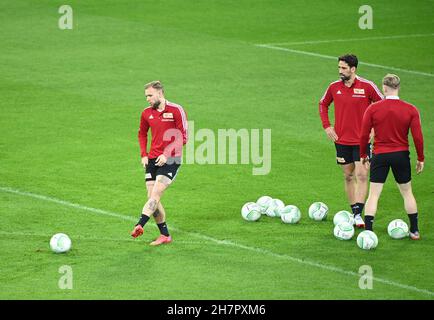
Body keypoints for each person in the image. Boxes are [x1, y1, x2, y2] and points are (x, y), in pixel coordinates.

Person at [319, 54, 383, 228]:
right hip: (341, 140)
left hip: (362, 141)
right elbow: (323, 104)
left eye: (344, 68)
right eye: (339, 67)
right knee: (348, 176)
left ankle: (357, 214)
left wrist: (374, 129)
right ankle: (354, 209)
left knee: (362, 176)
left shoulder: (367, 86)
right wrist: (327, 126)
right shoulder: (334, 87)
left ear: (353, 69)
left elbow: (383, 106)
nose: (340, 71)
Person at [360, 74, 424, 240]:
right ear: (398, 87)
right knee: (407, 192)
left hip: (380, 155)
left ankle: (368, 230)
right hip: (401, 156)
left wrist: (363, 154)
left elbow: (364, 134)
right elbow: (418, 137)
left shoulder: (373, 109)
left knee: (374, 194)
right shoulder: (411, 109)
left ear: (384, 88)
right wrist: (421, 158)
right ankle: (415, 230)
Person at [131, 81, 188, 245]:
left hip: (171, 159)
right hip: (152, 159)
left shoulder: (176, 110)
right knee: (151, 198)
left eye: (150, 95)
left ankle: (139, 224)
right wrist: (143, 155)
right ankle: (165, 235)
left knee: (155, 195)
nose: (147, 99)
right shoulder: (146, 113)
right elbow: (142, 134)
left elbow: (183, 137)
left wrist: (166, 154)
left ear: (160, 93)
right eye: (146, 96)